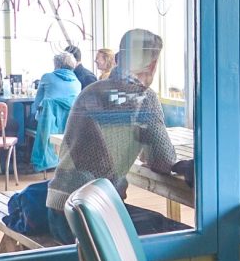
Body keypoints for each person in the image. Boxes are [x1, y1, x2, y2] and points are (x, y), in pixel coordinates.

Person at [46, 28, 178, 244]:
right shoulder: (142, 97)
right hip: (90, 217)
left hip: (58, 211)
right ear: (152, 65)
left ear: (117, 59)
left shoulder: (90, 90)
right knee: (180, 235)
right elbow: (164, 161)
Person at [30, 51, 81, 171]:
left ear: (56, 64)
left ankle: (36, 160)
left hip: (48, 124)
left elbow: (37, 103)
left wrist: (33, 113)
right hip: (69, 125)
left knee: (28, 120)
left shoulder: (47, 77)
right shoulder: (77, 83)